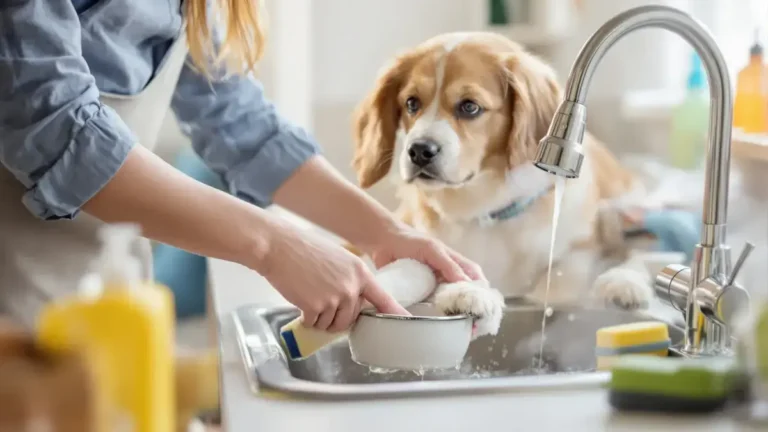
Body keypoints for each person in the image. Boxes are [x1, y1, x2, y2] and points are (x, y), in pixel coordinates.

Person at [0, 0, 483, 332]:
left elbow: (238, 122)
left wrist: (385, 233)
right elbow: (59, 130)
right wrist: (275, 246)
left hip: (110, 300)